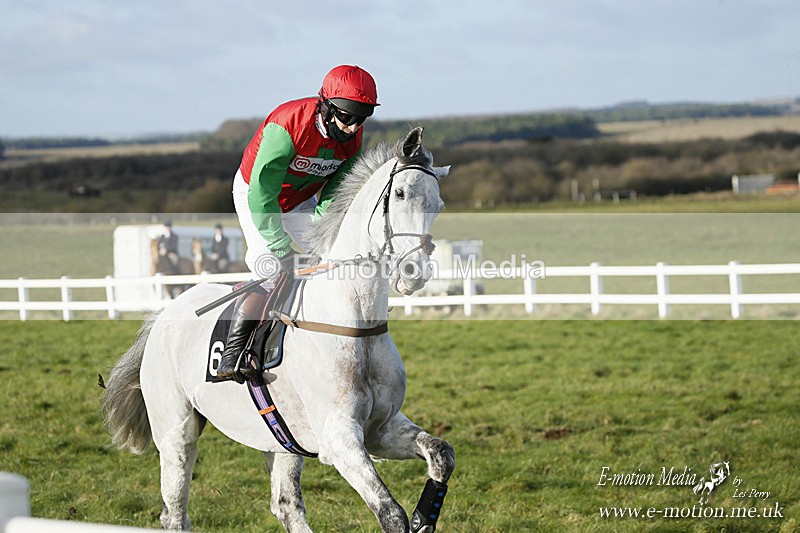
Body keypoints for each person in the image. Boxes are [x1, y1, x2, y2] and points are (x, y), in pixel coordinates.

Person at [217, 64, 379, 382]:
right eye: (347, 117)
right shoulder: (287, 125)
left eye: (361, 119)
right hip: (256, 194)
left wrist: (322, 230)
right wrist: (281, 247)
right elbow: (263, 193)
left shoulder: (353, 139)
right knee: (270, 266)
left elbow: (334, 192)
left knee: (332, 258)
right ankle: (233, 354)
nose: (352, 128)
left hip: (299, 200)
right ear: (326, 106)